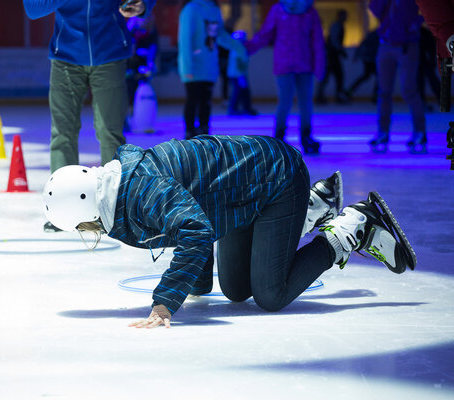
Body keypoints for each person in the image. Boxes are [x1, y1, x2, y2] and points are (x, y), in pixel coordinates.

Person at [42, 135, 417, 328]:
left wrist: (163, 303)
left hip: (276, 178)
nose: (88, 231)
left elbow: (195, 230)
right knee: (237, 291)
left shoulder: (140, 192)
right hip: (238, 196)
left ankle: (352, 227)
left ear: (88, 213)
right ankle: (314, 205)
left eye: (81, 227)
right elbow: (192, 207)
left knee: (270, 295)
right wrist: (197, 281)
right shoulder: (121, 185)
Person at [23, 0, 157, 232]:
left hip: (111, 54)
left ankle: (115, 206)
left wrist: (142, 5)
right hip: (65, 56)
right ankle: (61, 208)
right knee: (62, 133)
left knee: (110, 133)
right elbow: (33, 8)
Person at [245, 0, 325, 155]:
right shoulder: (279, 10)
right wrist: (248, 48)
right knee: (286, 101)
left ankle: (305, 136)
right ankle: (280, 138)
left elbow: (317, 39)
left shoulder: (309, 12)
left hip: (303, 64)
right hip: (286, 64)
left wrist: (319, 65)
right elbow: (266, 33)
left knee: (304, 102)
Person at [177, 0, 243, 138]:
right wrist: (187, 67)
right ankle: (189, 134)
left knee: (206, 102)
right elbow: (185, 40)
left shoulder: (214, 9)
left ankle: (204, 135)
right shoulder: (191, 9)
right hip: (194, 67)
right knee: (193, 99)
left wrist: (239, 48)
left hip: (209, 65)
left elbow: (220, 35)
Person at [369, 0, 427, 154]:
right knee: (384, 92)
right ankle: (383, 133)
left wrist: (414, 24)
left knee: (409, 90)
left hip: (408, 45)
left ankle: (419, 133)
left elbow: (429, 10)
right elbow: (375, 9)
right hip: (385, 44)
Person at [125, 14, 159, 132]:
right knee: (128, 91)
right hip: (131, 65)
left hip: (144, 65)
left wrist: (150, 63)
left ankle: (141, 120)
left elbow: (154, 47)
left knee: (142, 93)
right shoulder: (131, 25)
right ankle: (126, 120)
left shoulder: (152, 28)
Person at [315, 9, 349, 104]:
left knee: (336, 75)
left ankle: (326, 95)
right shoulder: (336, 26)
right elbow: (334, 40)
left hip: (332, 54)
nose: (346, 18)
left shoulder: (339, 25)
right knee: (332, 75)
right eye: (344, 15)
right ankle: (321, 96)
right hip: (331, 55)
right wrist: (341, 50)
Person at [227, 31, 258, 116]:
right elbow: (239, 63)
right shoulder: (237, 49)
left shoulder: (239, 48)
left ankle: (245, 108)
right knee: (239, 91)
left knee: (243, 91)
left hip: (239, 74)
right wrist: (241, 76)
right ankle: (234, 108)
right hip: (238, 75)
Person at [346, 29, 379, 102]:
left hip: (369, 58)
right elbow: (363, 44)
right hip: (370, 59)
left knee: (369, 76)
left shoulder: (373, 34)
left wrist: (356, 55)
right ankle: (375, 95)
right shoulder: (376, 34)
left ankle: (350, 90)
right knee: (376, 77)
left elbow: (362, 44)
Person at [417, 25, 442, 111]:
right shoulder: (419, 33)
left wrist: (432, 61)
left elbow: (431, 48)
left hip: (424, 61)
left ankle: (441, 101)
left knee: (431, 81)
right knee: (421, 83)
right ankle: (422, 103)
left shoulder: (424, 33)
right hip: (419, 61)